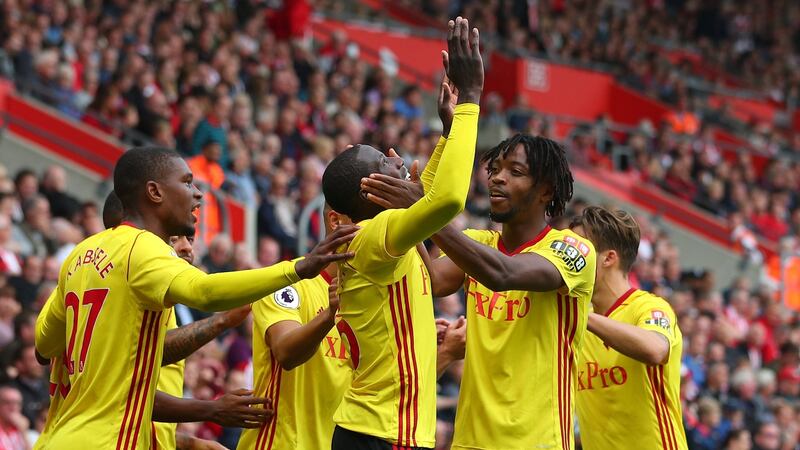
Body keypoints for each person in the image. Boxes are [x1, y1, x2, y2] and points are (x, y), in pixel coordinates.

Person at [34, 147, 357, 449]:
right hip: (112, 440)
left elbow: (44, 345)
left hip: (62, 435)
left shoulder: (81, 254)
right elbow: (203, 291)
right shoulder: (144, 250)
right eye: (187, 183)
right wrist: (298, 268)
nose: (199, 193)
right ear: (155, 192)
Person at [361, 135, 595, 450]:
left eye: (515, 171)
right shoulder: (477, 243)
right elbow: (430, 280)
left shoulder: (572, 249)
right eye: (495, 169)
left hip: (536, 442)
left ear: (546, 191)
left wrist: (423, 210)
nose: (498, 177)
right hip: (469, 440)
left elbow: (503, 273)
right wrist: (406, 216)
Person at [321, 17, 483, 450]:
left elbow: (424, 198)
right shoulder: (373, 236)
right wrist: (470, 101)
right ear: (371, 191)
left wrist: (448, 134)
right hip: (382, 432)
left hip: (378, 430)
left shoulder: (379, 234)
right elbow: (443, 202)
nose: (397, 157)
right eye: (384, 161)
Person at [569, 206, 687, 450]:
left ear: (609, 258)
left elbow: (655, 349)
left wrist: (582, 316)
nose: (569, 257)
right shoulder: (574, 327)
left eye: (579, 248)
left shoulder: (649, 307)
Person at [237, 204, 352, 450]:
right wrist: (330, 315)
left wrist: (444, 353)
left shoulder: (374, 299)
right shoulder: (287, 283)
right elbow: (286, 353)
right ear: (336, 221)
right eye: (375, 219)